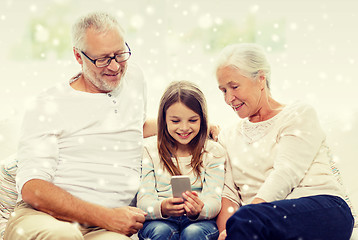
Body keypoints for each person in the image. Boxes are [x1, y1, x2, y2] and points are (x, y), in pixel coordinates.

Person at [4, 12, 156, 240]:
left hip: (103, 229)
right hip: (45, 218)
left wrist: (200, 126)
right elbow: (32, 187)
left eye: (120, 54)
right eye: (103, 58)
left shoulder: (134, 78)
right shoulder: (48, 105)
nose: (115, 67)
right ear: (78, 55)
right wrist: (107, 216)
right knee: (64, 235)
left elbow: (136, 126)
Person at [215, 43, 355, 240]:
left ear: (261, 78)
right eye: (223, 91)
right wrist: (226, 232)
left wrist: (245, 221)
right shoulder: (227, 136)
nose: (229, 98)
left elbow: (285, 172)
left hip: (324, 209)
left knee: (245, 219)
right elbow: (229, 195)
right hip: (261, 223)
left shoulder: (298, 114)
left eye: (234, 87)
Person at [136, 81, 226, 240]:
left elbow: (214, 200)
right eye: (175, 121)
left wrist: (200, 209)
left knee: (193, 233)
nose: (184, 128)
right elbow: (144, 201)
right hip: (160, 221)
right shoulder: (149, 150)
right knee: (160, 232)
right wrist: (162, 208)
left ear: (203, 120)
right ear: (163, 120)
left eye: (192, 120)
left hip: (199, 222)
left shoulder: (213, 151)